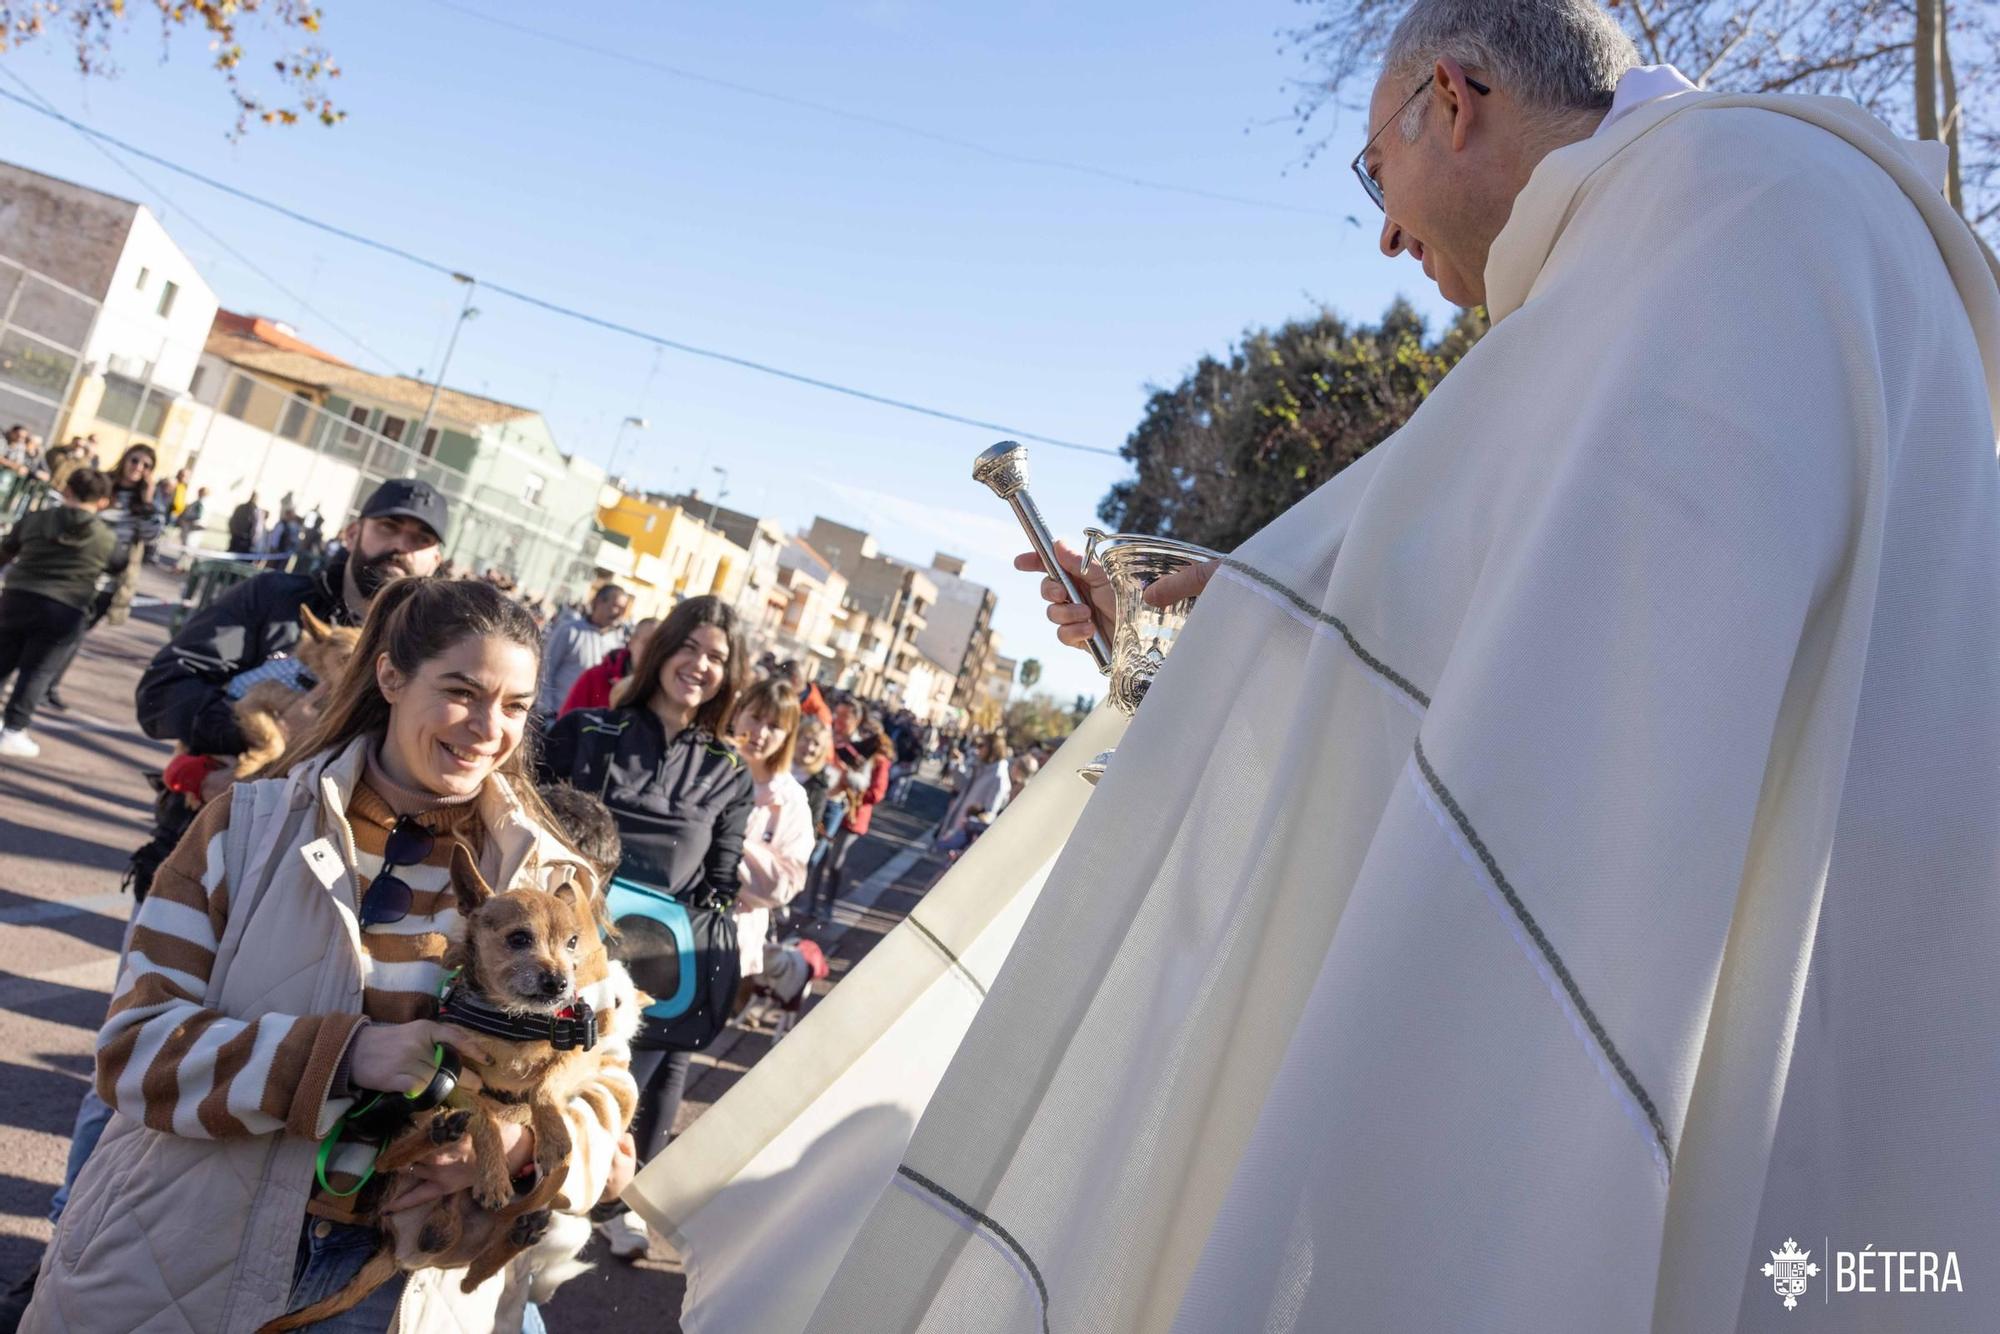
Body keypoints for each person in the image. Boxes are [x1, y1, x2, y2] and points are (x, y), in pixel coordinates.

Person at [813, 4, 2000, 1330]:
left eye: (1375, 174)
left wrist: (1257, 625)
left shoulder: (1727, 210)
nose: (1383, 231)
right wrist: (1224, 617)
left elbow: (1567, 682)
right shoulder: (1720, 222)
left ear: (1453, 96)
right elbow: (1542, 605)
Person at [19, 576, 638, 1333]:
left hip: (405, 1292)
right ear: (389, 676)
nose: (487, 729)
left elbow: (607, 1083)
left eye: (513, 706)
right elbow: (133, 1053)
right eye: (461, 692)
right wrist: (342, 1057)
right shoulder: (243, 829)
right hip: (187, 1254)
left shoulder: (553, 877)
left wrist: (514, 1147)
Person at [538, 594, 752, 1262]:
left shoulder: (731, 772)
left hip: (658, 969)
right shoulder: (587, 731)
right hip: (560, 953)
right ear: (662, 649)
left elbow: (720, 884)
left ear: (730, 673)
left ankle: (606, 1203)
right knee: (537, 1085)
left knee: (613, 1096)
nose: (699, 665)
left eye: (717, 656)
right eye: (690, 646)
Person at [129, 478, 452, 897]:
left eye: (420, 539)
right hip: (204, 849)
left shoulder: (435, 653)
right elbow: (165, 689)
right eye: (389, 527)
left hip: (328, 883)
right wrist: (260, 734)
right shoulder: (272, 603)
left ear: (437, 559)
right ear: (352, 533)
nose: (401, 546)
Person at [0, 468, 116, 757]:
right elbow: (119, 564)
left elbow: (7, 549)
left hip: (18, 597)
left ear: (67, 491)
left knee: (2, 660)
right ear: (102, 501)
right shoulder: (105, 537)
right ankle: (14, 729)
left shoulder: (36, 519)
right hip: (66, 607)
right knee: (37, 672)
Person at [727, 679, 814, 988]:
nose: (761, 733)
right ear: (737, 713)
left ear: (788, 735)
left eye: (775, 726)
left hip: (731, 942)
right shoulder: (705, 765)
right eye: (754, 717)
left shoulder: (791, 800)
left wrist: (724, 849)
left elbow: (783, 884)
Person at [802, 700, 889, 922]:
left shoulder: (864, 746)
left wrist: (844, 774)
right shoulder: (827, 736)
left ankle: (827, 907)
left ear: (856, 720)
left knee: (832, 862)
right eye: (836, 714)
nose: (837, 721)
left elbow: (864, 783)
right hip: (818, 801)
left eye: (844, 717)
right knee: (816, 858)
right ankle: (810, 905)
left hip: (842, 810)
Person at [537, 581, 632, 715]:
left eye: (623, 609)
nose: (619, 614)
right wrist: (546, 710)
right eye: (616, 606)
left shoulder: (618, 643)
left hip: (590, 722)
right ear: (599, 602)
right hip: (556, 715)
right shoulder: (570, 630)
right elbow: (546, 668)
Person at [558, 615, 658, 715]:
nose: (651, 651)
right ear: (632, 642)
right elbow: (566, 723)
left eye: (658, 647)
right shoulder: (595, 677)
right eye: (647, 643)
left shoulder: (660, 695)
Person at [932, 730, 1010, 855]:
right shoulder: (981, 767)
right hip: (955, 824)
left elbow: (989, 813)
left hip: (964, 835)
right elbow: (962, 786)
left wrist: (969, 824)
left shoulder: (999, 777)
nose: (978, 749)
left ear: (992, 749)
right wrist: (958, 764)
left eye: (981, 746)